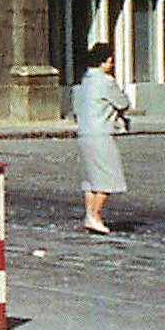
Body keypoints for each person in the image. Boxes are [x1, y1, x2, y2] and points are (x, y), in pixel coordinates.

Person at [73, 42, 131, 234]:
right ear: (103, 62)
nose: (111, 64)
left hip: (84, 133)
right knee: (108, 176)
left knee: (91, 179)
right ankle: (95, 215)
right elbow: (123, 103)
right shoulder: (106, 82)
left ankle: (89, 214)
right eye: (109, 61)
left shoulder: (84, 81)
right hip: (101, 134)